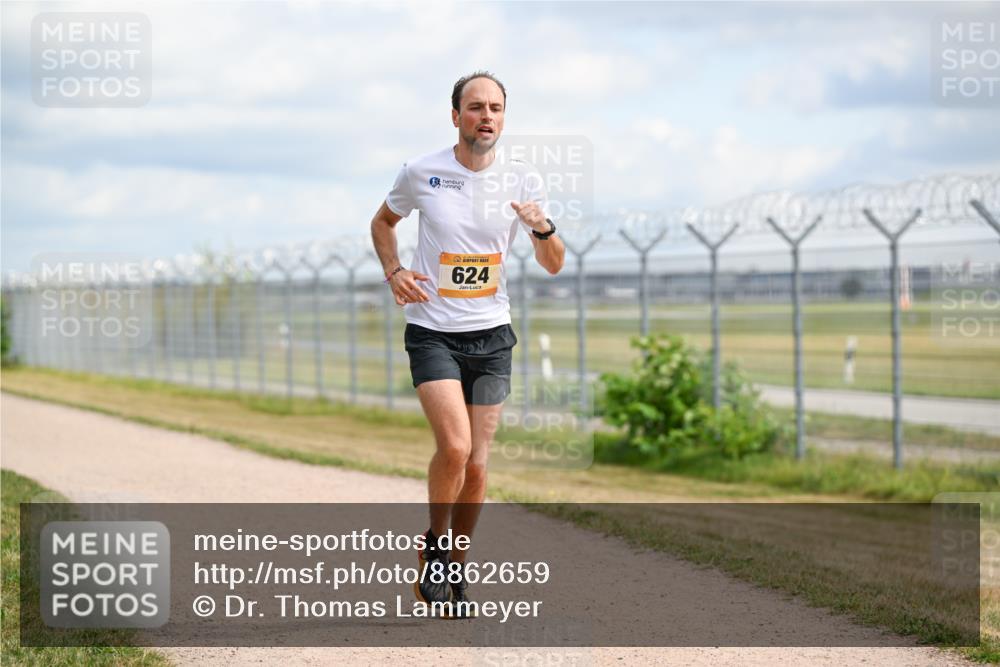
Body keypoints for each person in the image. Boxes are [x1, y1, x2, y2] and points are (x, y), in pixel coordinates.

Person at [369, 71, 565, 616]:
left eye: (496, 108)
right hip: (432, 329)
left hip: (492, 335)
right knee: (454, 448)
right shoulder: (422, 172)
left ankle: (456, 560)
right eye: (476, 106)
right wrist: (394, 271)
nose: (487, 116)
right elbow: (383, 223)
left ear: (504, 117)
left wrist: (542, 228)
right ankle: (435, 547)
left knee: (477, 464)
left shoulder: (522, 182)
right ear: (455, 115)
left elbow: (553, 265)